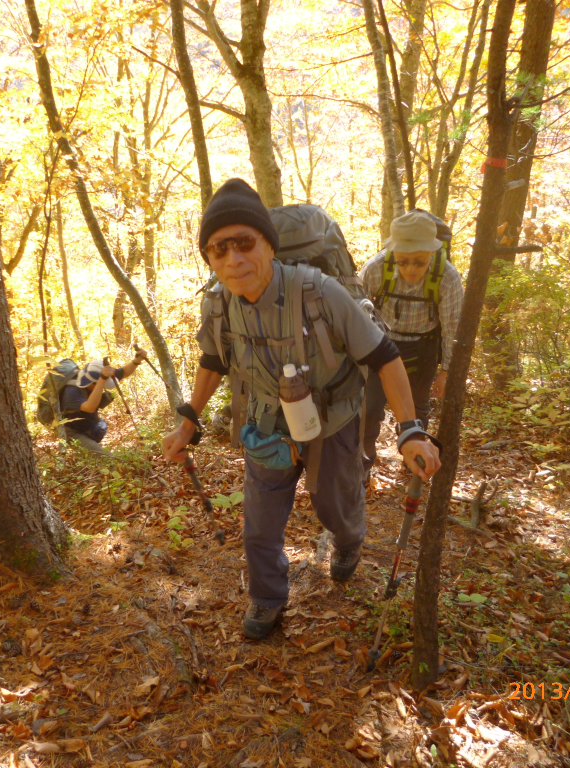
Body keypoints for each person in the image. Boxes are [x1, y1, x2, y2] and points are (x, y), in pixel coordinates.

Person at [162, 179, 442, 640]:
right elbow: (213, 360)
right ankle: (268, 598)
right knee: (260, 526)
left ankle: (349, 542)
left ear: (268, 245)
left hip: (332, 418)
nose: (233, 259)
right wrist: (188, 418)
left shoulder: (320, 293)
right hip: (266, 425)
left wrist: (409, 429)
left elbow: (383, 356)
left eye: (244, 243)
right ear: (210, 259)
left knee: (335, 505)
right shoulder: (219, 303)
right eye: (218, 249)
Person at [359, 209, 464, 479]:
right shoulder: (375, 269)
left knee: (417, 411)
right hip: (378, 346)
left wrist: (446, 371)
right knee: (368, 411)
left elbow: (453, 328)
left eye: (419, 262)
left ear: (431, 253)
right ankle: (361, 467)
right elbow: (356, 319)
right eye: (403, 261)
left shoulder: (447, 278)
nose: (411, 269)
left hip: (423, 349)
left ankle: (414, 466)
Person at [61, 349, 148, 453]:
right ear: (92, 383)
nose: (103, 387)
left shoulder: (96, 377)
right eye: (101, 385)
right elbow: (89, 407)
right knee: (106, 458)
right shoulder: (71, 392)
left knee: (99, 437)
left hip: (88, 426)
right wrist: (102, 379)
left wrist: (136, 361)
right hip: (73, 433)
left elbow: (123, 372)